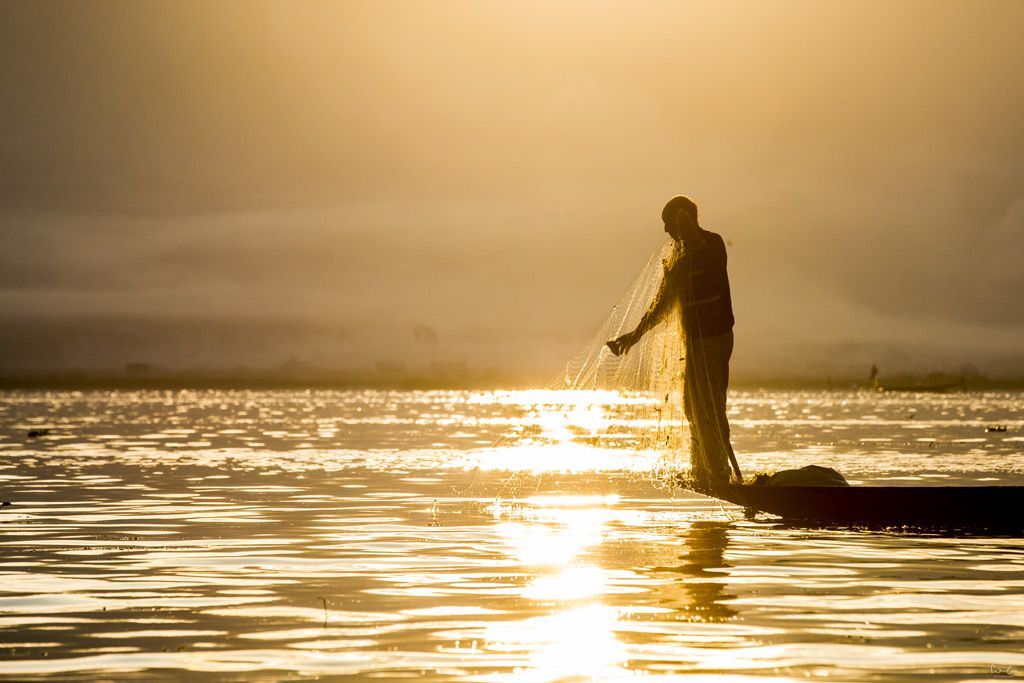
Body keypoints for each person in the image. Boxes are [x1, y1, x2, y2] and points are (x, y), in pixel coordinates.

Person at [606, 195, 741, 491]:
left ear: (685, 219)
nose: (666, 232)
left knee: (711, 407)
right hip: (695, 342)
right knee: (692, 406)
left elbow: (706, 256)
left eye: (669, 224)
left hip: (715, 339)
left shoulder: (712, 243)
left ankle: (720, 475)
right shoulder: (679, 259)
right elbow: (662, 305)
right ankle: (703, 470)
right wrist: (634, 335)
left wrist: (689, 230)